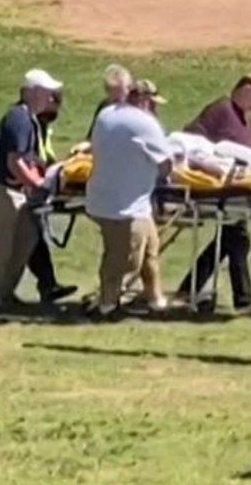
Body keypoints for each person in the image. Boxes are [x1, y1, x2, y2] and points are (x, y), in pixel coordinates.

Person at [172, 73, 251, 313]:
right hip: (219, 187)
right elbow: (191, 138)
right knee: (237, 240)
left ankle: (189, 288)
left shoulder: (244, 119)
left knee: (230, 241)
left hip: (239, 186)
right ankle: (243, 299)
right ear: (245, 89)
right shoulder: (221, 110)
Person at [0, 89, 78, 304]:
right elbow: (16, 162)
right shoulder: (19, 119)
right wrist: (39, 184)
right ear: (33, 94)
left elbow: (32, 159)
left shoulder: (31, 121)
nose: (53, 102)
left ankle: (4, 292)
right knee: (2, 246)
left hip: (15, 190)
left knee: (27, 237)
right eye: (50, 97)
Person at [84, 80, 175, 320]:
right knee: (123, 259)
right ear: (144, 100)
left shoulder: (106, 114)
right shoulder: (145, 123)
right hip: (125, 206)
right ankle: (107, 306)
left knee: (150, 251)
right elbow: (166, 165)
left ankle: (156, 300)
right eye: (153, 104)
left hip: (107, 198)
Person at [85, 63, 134, 140]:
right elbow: (92, 137)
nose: (116, 106)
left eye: (121, 99)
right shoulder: (105, 107)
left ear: (130, 88)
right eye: (114, 100)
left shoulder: (138, 109)